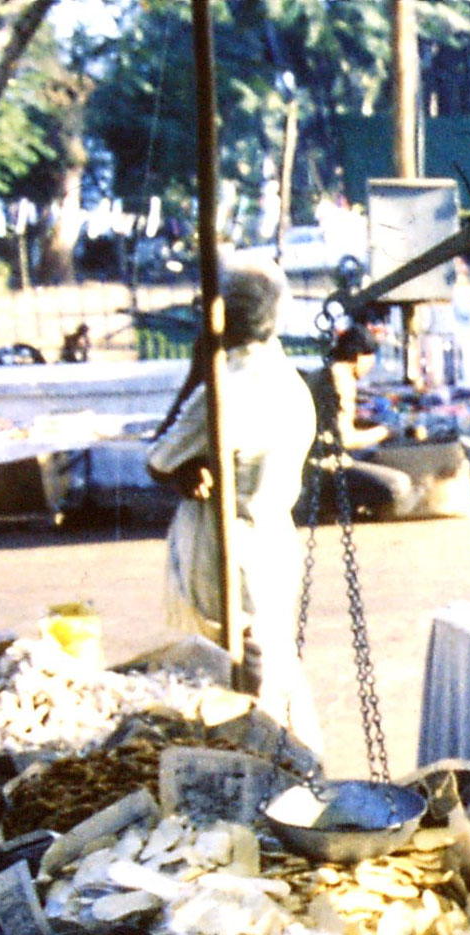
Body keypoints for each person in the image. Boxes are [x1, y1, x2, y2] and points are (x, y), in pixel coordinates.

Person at [146, 259, 323, 751]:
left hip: (229, 559)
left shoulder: (222, 391)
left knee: (243, 695)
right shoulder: (288, 379)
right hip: (272, 549)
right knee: (272, 671)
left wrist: (199, 367)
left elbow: (157, 459)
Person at [304, 325, 414, 520]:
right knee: (400, 484)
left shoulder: (323, 372)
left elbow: (330, 421)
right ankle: (331, 502)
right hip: (324, 467)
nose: (372, 365)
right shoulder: (341, 380)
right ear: (358, 356)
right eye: (370, 358)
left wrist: (366, 422)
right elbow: (346, 440)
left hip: (308, 464)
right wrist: (385, 431)